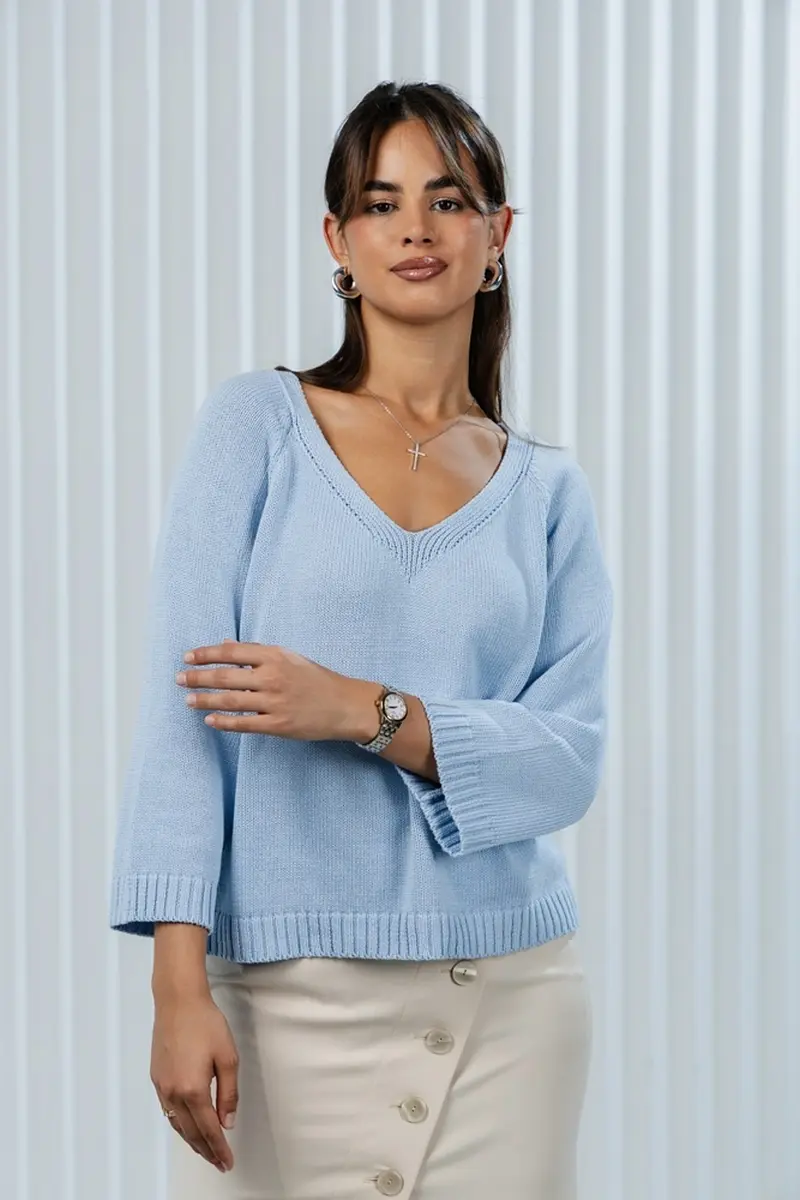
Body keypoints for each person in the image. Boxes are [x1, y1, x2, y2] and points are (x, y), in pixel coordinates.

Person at [109, 80, 614, 1200]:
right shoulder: (256, 427)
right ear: (338, 241)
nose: (415, 229)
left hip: (509, 997)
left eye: (448, 199)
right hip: (278, 999)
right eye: (380, 204)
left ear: (497, 234)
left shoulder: (547, 492)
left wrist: (367, 712)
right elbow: (181, 724)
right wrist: (176, 988)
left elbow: (567, 760)